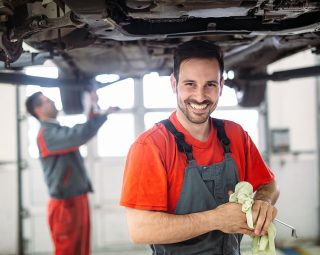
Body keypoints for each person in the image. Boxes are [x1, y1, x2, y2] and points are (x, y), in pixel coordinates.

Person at [120, 40, 280, 255]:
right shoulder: (151, 146)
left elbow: (269, 184)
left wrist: (262, 201)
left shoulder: (236, 135)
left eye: (210, 85)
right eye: (190, 84)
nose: (200, 96)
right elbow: (140, 229)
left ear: (221, 86)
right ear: (173, 83)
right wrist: (215, 219)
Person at [25, 90, 119, 255]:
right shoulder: (47, 135)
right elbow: (80, 134)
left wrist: (93, 105)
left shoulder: (56, 130)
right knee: (68, 250)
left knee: (82, 250)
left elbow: (82, 131)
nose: (53, 102)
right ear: (38, 110)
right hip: (65, 205)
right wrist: (103, 115)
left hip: (76, 200)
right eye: (47, 101)